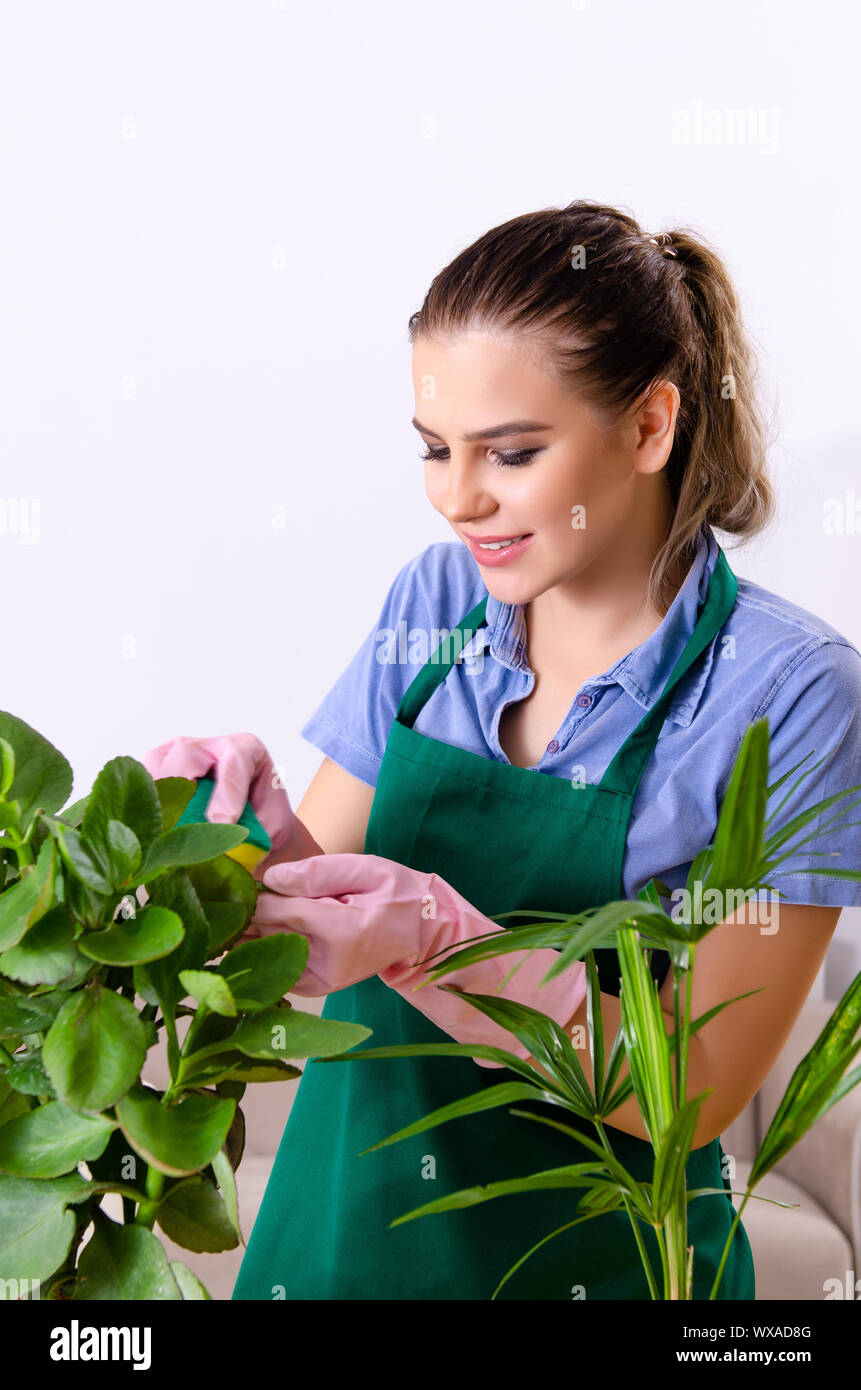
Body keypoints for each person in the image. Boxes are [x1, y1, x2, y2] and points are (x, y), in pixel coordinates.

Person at [143, 200, 861, 1301]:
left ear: (649, 426)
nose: (457, 499)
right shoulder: (438, 602)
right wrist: (233, 820)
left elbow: (697, 1092)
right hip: (340, 1247)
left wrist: (436, 937)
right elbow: (301, 897)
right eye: (436, 450)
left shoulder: (793, 694)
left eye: (511, 453)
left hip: (606, 1267)